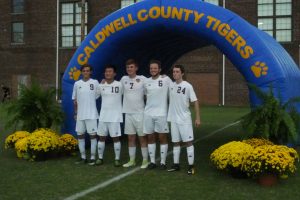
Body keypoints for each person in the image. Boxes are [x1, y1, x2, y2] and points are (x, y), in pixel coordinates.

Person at [167, 64, 200, 175]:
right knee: (176, 142)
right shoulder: (171, 85)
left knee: (188, 142)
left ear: (182, 73)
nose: (175, 73)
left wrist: (197, 118)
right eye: (174, 72)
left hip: (184, 119)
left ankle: (191, 166)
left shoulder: (187, 86)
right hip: (174, 119)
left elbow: (195, 101)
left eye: (177, 72)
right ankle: (176, 165)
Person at [144, 60, 172, 170]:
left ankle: (163, 162)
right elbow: (146, 96)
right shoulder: (146, 81)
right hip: (148, 113)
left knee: (162, 137)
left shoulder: (166, 79)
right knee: (150, 137)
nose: (153, 70)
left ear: (159, 69)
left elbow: (173, 92)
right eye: (151, 68)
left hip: (161, 113)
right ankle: (152, 162)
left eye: (155, 68)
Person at [121, 59, 149, 169]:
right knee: (130, 138)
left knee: (142, 138)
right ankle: (131, 160)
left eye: (131, 67)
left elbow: (152, 85)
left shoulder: (143, 79)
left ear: (136, 68)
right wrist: (104, 80)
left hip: (140, 113)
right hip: (128, 113)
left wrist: (163, 76)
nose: (129, 69)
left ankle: (145, 160)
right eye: (128, 67)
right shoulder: (123, 79)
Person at [72, 64, 100, 165]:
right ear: (81, 72)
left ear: (90, 72)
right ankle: (83, 157)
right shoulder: (77, 84)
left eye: (87, 71)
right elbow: (75, 100)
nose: (86, 72)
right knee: (80, 136)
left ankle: (93, 157)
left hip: (92, 114)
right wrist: (75, 113)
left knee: (93, 136)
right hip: (80, 115)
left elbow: (98, 95)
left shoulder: (95, 82)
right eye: (84, 71)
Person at [96, 64, 123, 167]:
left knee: (116, 138)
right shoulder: (101, 85)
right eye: (106, 71)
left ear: (114, 73)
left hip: (115, 117)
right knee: (101, 137)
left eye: (110, 71)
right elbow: (94, 96)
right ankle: (100, 158)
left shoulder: (120, 85)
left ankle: (117, 159)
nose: (108, 73)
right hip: (103, 116)